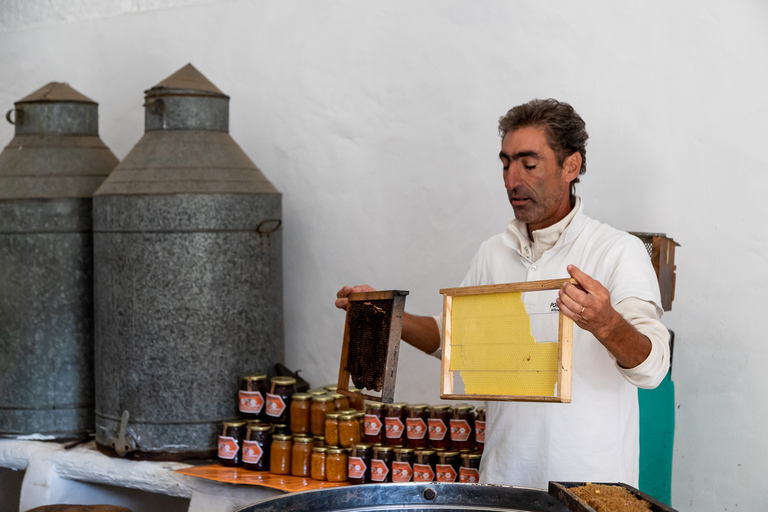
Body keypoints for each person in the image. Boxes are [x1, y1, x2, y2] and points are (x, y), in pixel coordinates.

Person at [335, 98, 670, 489]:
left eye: (529, 164)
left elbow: (653, 368)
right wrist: (384, 314)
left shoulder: (616, 250)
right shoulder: (493, 252)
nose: (512, 180)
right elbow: (453, 341)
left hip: (590, 488)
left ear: (571, 166)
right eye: (506, 164)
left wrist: (607, 323)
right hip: (503, 482)